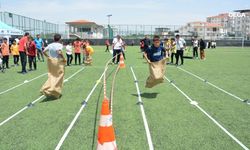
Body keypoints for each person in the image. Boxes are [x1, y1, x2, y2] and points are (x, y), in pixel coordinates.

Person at [41, 34, 66, 99]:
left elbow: (43, 51)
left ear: (54, 39)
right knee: (60, 75)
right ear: (60, 39)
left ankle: (46, 88)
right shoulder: (60, 45)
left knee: (52, 75)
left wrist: (48, 57)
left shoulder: (50, 45)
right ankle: (53, 90)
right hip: (57, 61)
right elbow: (59, 52)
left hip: (50, 61)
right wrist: (64, 59)